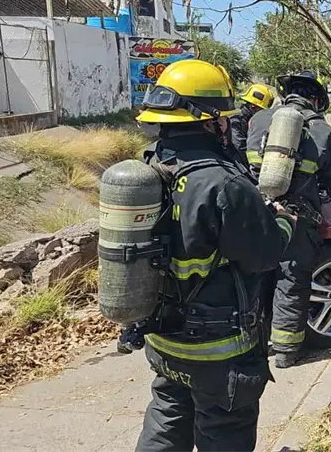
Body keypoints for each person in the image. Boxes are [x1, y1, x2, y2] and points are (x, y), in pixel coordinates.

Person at [129, 59, 298, 452]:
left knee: (166, 422)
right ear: (210, 122)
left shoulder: (151, 169)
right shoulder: (223, 184)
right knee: (224, 433)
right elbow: (264, 253)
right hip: (219, 352)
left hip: (165, 341)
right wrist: (285, 221)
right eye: (222, 117)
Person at [244, 70, 331, 368]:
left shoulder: (260, 120)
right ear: (315, 99)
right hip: (296, 218)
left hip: (256, 213)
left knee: (255, 279)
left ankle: (252, 345)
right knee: (291, 280)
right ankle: (286, 352)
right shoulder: (321, 129)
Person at [230, 83, 276, 156]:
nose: (262, 114)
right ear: (253, 106)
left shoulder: (249, 120)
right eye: (261, 109)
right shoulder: (236, 121)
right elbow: (238, 147)